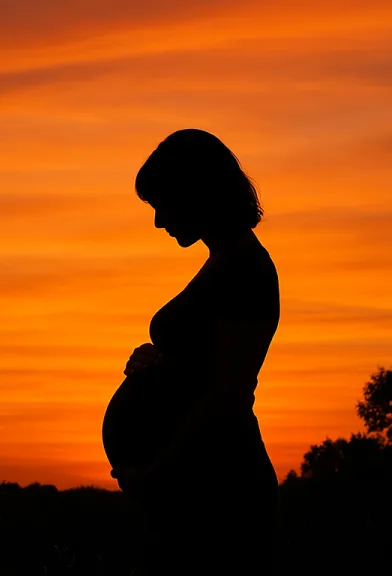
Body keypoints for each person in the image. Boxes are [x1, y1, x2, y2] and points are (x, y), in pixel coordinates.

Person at [106, 128, 281, 574]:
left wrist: (156, 476)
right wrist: (152, 361)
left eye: (162, 204)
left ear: (195, 192)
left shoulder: (245, 267)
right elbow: (200, 364)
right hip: (192, 487)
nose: (159, 221)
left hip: (218, 488)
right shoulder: (223, 262)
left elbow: (229, 396)